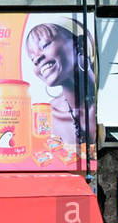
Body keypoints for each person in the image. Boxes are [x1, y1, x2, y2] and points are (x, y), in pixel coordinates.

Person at [26, 21, 96, 158]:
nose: (36, 59)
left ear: (80, 44)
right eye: (32, 58)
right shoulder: (45, 118)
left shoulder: (110, 103)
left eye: (45, 45)